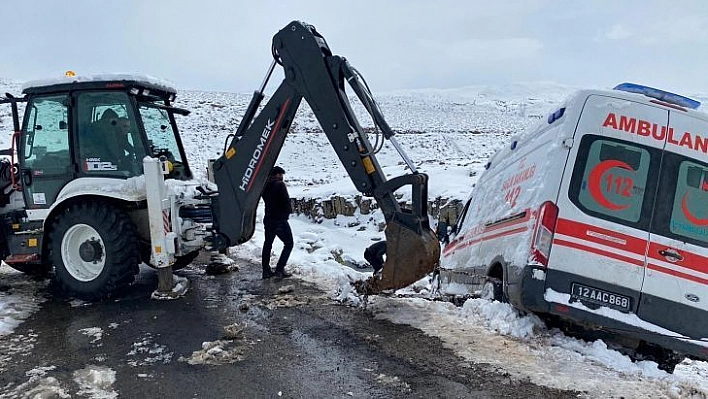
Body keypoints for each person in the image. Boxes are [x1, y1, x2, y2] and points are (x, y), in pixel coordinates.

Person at [261, 166, 294, 279]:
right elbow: (286, 201)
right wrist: (288, 213)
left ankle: (266, 270)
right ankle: (279, 269)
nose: (282, 177)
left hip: (268, 219)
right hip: (279, 220)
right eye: (281, 174)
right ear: (277, 174)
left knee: (268, 244)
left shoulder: (264, 185)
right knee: (289, 243)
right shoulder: (280, 185)